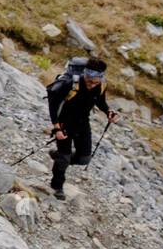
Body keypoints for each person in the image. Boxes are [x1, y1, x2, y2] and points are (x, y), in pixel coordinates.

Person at [47, 57, 118, 199]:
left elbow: (100, 101)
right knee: (65, 158)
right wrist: (57, 128)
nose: (92, 85)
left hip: (83, 124)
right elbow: (53, 105)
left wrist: (108, 111)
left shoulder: (101, 85)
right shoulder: (70, 83)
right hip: (64, 123)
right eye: (89, 81)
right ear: (84, 75)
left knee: (84, 159)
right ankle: (57, 186)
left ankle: (59, 157)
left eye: (95, 82)